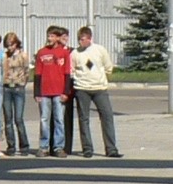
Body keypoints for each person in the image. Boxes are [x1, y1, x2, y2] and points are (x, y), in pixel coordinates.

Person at [70, 25, 120, 158]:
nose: (81, 42)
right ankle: (87, 148)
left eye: (83, 39)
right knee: (84, 118)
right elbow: (71, 70)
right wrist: (77, 79)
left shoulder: (99, 50)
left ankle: (111, 148)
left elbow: (108, 66)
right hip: (82, 89)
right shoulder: (75, 53)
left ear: (89, 38)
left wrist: (103, 78)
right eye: (79, 39)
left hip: (100, 89)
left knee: (107, 116)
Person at [33, 27, 72, 155]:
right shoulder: (41, 52)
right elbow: (37, 74)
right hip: (44, 92)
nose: (49, 39)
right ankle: (44, 147)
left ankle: (58, 147)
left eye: (52, 36)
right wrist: (37, 93)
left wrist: (65, 92)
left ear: (58, 38)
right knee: (44, 119)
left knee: (59, 120)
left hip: (59, 92)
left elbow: (67, 73)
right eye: (48, 36)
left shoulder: (64, 53)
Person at [0, 33, 32, 155]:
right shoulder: (5, 56)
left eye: (11, 45)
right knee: (8, 119)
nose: (9, 48)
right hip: (7, 87)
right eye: (7, 45)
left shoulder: (23, 55)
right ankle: (11, 145)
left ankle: (24, 145)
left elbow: (27, 71)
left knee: (18, 118)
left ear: (16, 44)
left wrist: (22, 83)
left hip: (18, 87)